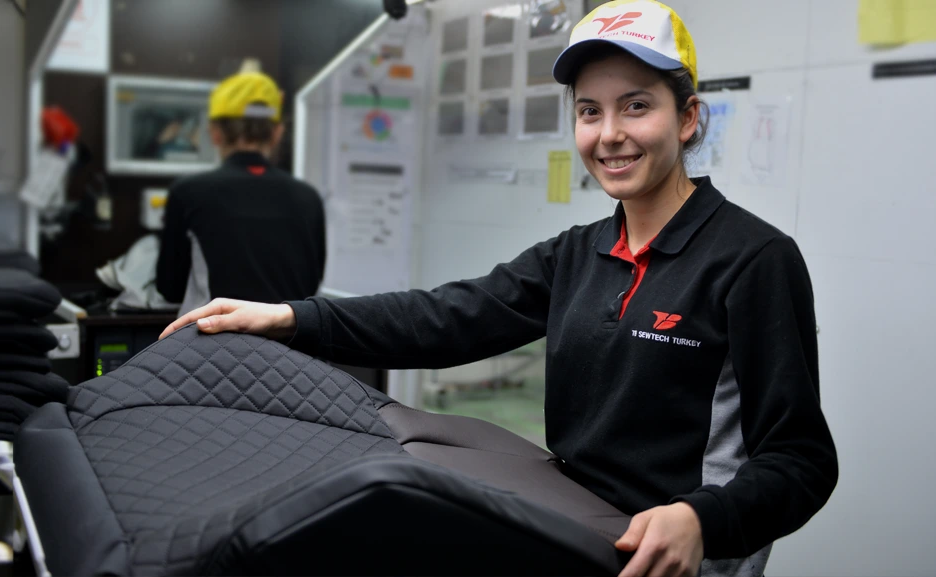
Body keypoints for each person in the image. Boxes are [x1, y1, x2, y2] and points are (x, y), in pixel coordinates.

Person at [161, 3, 836, 577]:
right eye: (590, 111)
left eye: (637, 106)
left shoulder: (753, 260)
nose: (610, 135)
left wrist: (700, 518)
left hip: (675, 554)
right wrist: (287, 317)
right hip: (571, 526)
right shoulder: (578, 252)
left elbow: (801, 459)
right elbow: (444, 317)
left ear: (688, 118)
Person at [156, 62, 326, 316]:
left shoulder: (188, 192)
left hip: (212, 345)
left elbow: (170, 288)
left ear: (215, 133)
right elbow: (310, 286)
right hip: (292, 349)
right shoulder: (308, 198)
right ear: (277, 132)